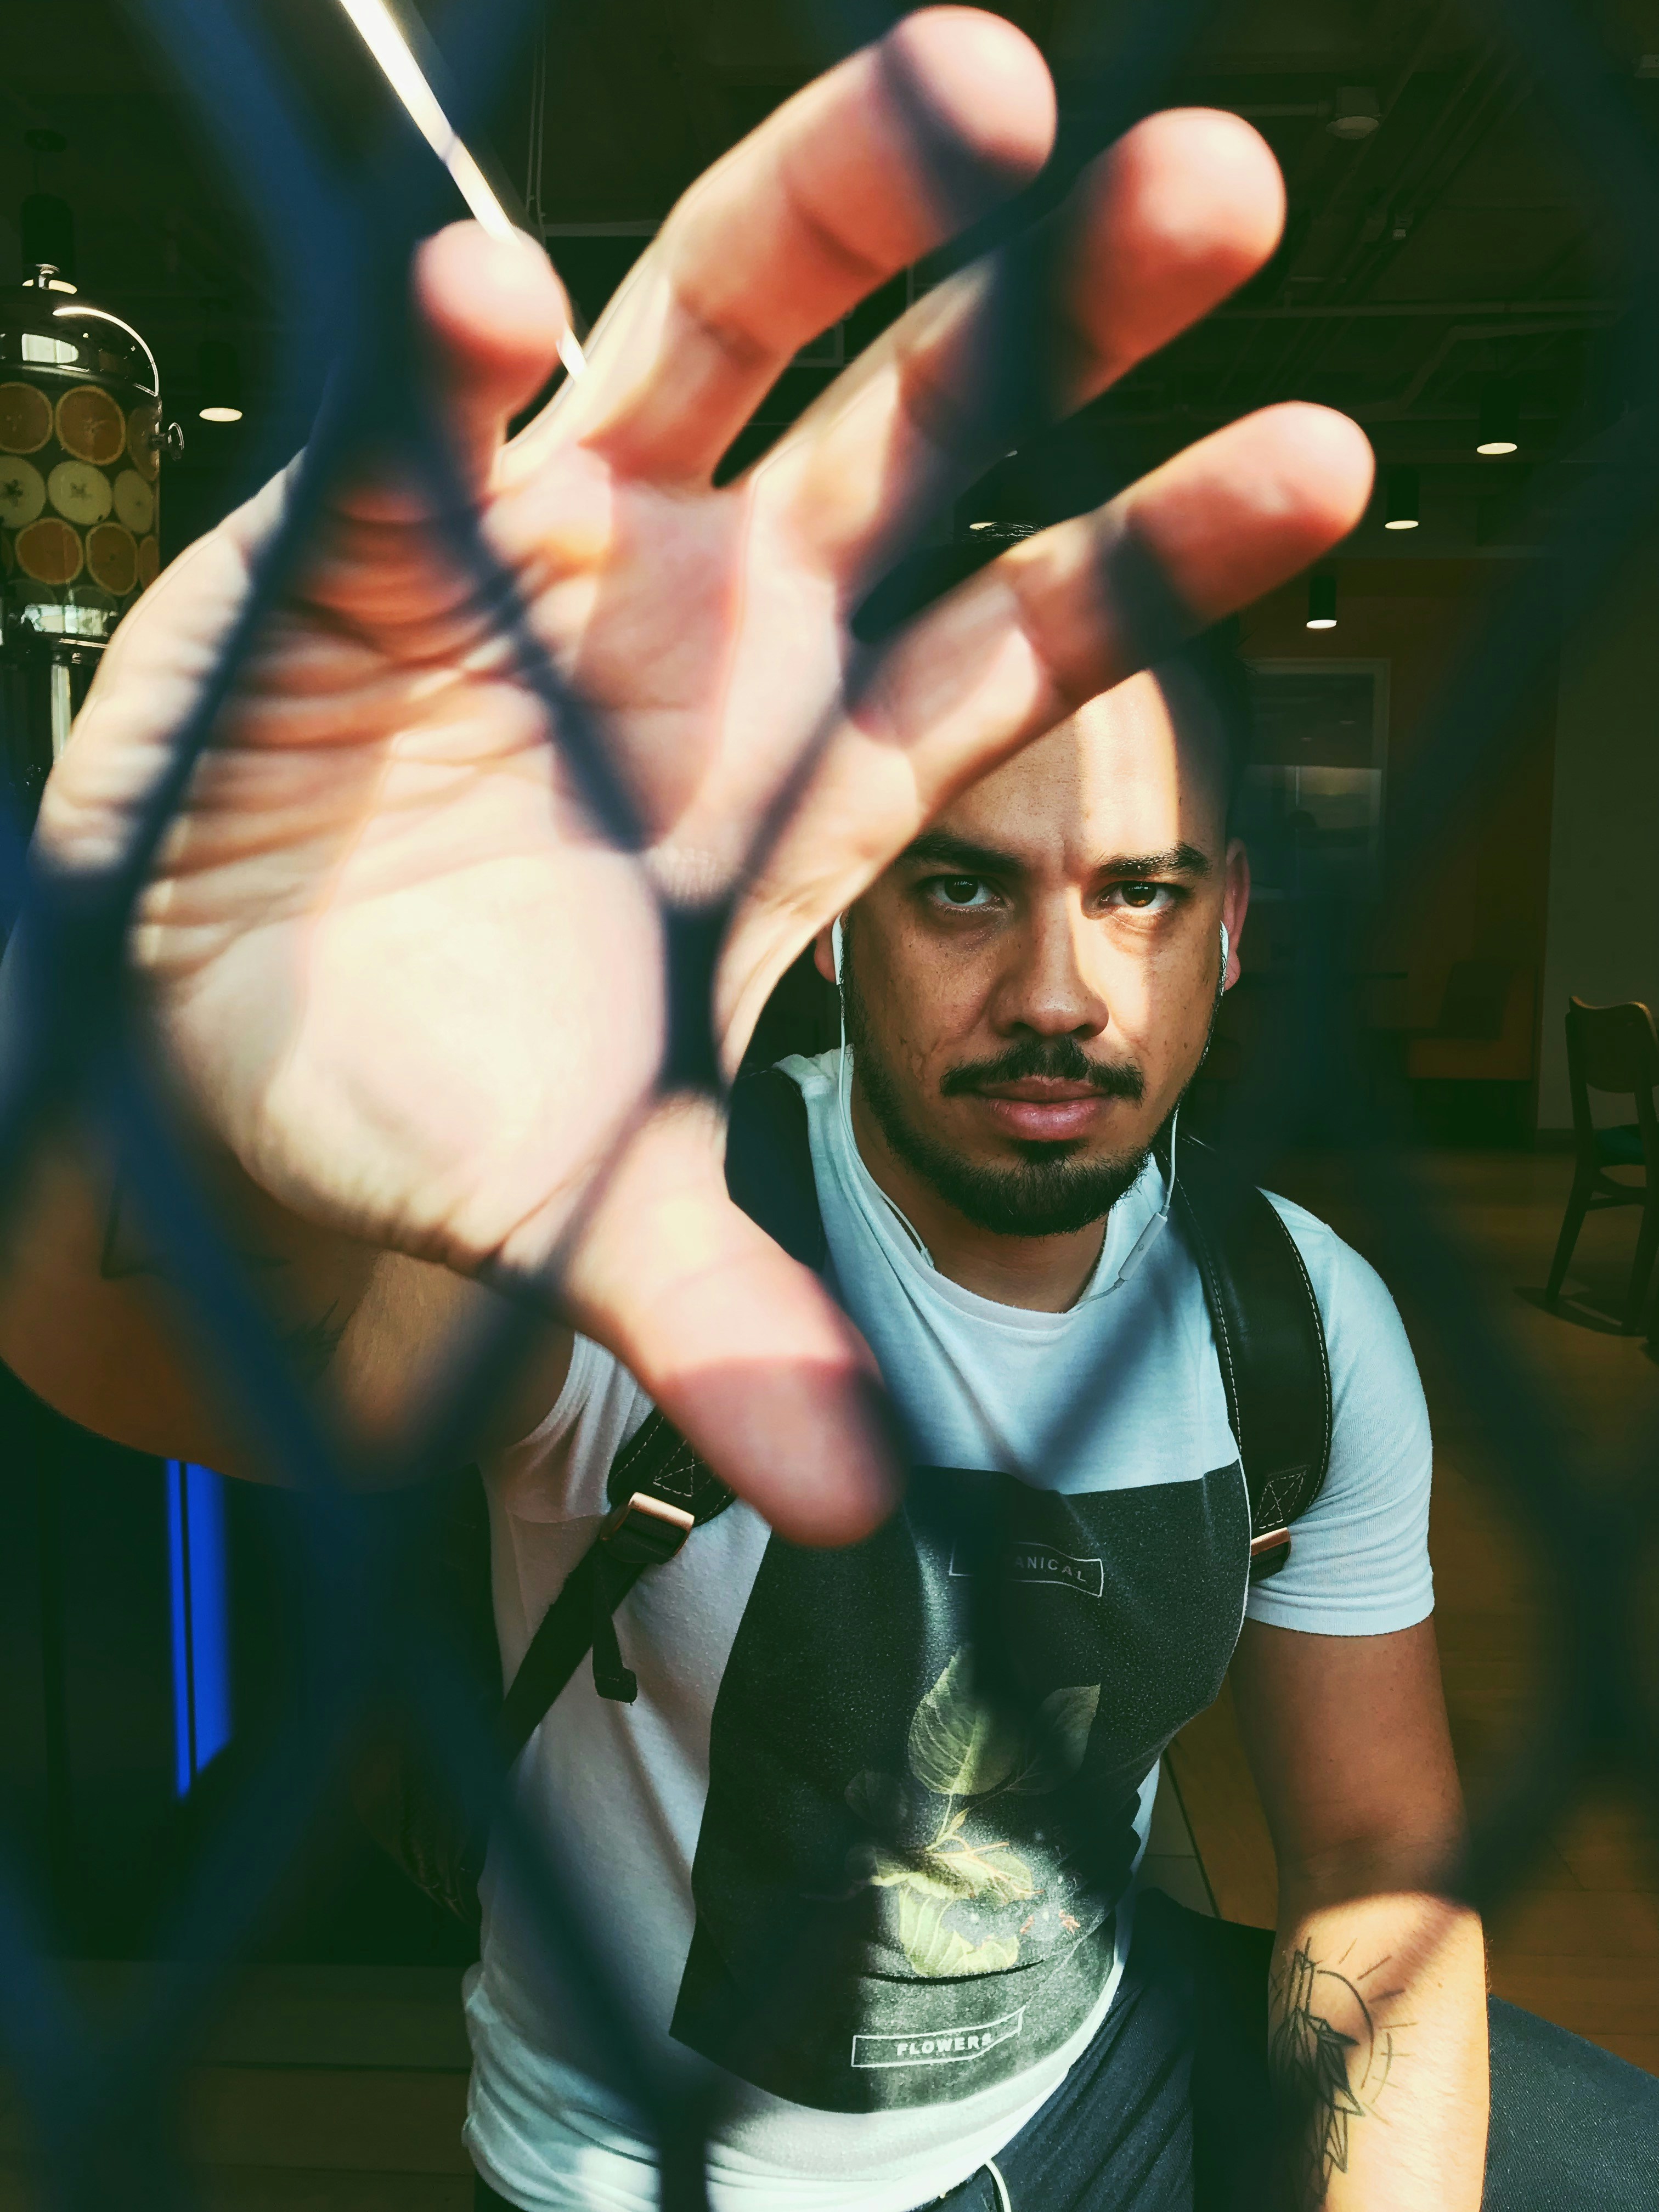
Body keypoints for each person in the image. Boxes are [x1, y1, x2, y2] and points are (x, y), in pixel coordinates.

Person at [2, 10, 1654, 2209]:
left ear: (1231, 925)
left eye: (1138, 894)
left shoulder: (1293, 1316)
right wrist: (167, 1069)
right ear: (853, 910)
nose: (1059, 990)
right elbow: (136, 1354)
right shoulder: (642, 1211)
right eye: (963, 886)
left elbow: (1376, 1859)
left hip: (1095, 2085)